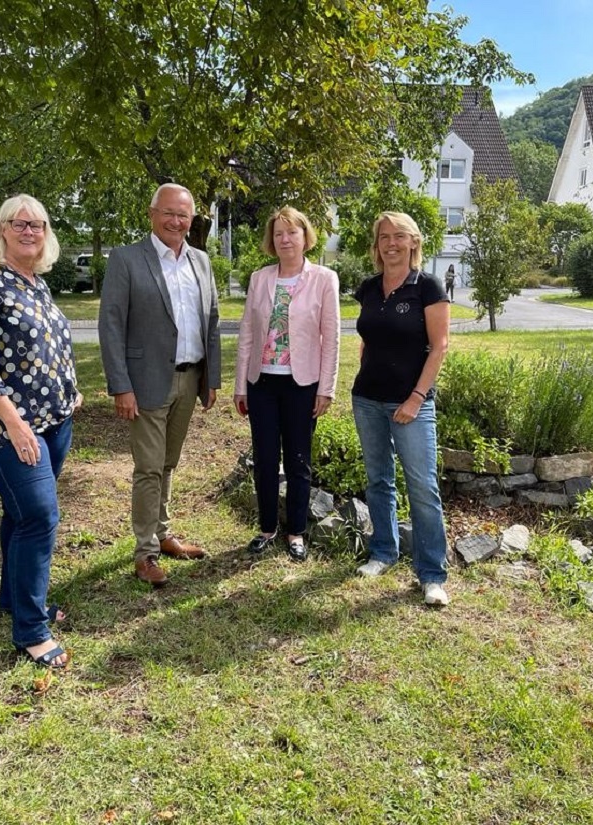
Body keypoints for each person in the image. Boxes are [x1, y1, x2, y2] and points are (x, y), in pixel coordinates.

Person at [0, 194, 82, 667]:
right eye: (19, 223)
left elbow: (51, 346)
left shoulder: (35, 283)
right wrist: (16, 425)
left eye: (38, 224)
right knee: (40, 517)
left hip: (53, 420)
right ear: (2, 229)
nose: (30, 231)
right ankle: (30, 629)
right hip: (7, 427)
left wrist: (71, 390)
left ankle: (13, 597)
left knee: (20, 513)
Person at [99, 183, 222, 586]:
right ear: (152, 214)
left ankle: (163, 533)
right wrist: (120, 385)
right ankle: (145, 553)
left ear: (192, 220)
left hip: (190, 379)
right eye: (168, 212)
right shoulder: (126, 259)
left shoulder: (201, 261)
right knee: (149, 467)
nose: (175, 221)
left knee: (168, 462)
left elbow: (213, 321)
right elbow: (111, 325)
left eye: (183, 215)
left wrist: (212, 379)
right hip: (146, 381)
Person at [351, 211, 451, 607]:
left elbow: (440, 346)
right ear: (377, 246)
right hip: (368, 399)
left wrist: (416, 398)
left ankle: (431, 575)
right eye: (383, 237)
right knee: (378, 480)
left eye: (399, 236)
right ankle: (383, 552)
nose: (391, 243)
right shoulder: (369, 287)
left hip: (411, 403)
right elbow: (367, 341)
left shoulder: (427, 286)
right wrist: (363, 380)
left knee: (422, 488)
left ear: (413, 242)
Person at [234, 207, 341, 562]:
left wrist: (326, 387)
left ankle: (296, 532)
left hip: (303, 384)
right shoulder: (260, 278)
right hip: (262, 383)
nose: (285, 239)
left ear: (305, 236)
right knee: (265, 459)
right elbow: (247, 333)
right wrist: (240, 386)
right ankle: (267, 528)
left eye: (292, 232)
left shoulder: (324, 279)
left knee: (298, 460)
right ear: (271, 240)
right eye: (278, 233)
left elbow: (332, 338)